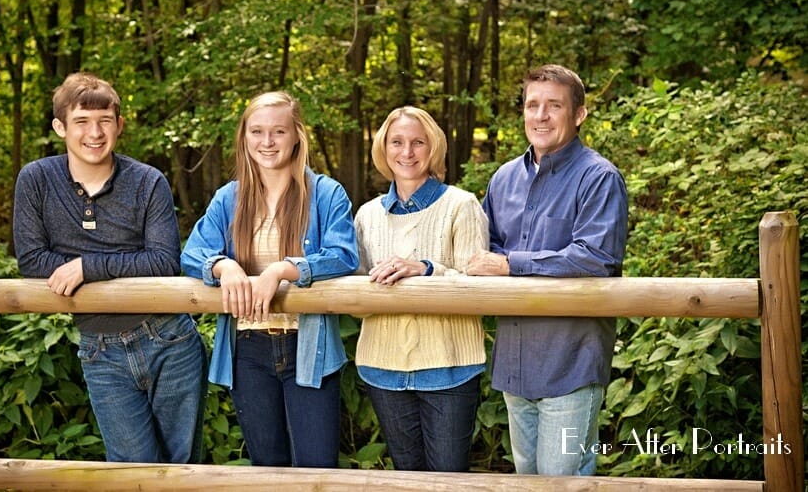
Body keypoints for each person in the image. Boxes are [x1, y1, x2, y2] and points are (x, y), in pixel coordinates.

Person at [12, 72, 208, 464]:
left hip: (169, 338)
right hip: (100, 350)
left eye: (105, 121)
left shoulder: (148, 181)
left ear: (119, 125)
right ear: (59, 127)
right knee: (129, 469)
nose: (94, 133)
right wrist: (114, 265)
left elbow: (163, 261)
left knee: (183, 465)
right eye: (82, 122)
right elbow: (32, 260)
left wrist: (87, 267)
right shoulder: (36, 180)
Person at [180, 91, 358, 468]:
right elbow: (191, 253)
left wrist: (281, 269)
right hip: (247, 350)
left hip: (308, 348)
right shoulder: (230, 198)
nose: (267, 142)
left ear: (297, 136)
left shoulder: (326, 193)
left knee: (316, 470)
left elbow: (343, 255)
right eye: (257, 131)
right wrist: (224, 267)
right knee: (267, 468)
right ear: (244, 136)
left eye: (278, 132)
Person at [466, 64, 628, 476]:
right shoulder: (504, 179)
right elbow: (484, 251)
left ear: (579, 114)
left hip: (570, 361)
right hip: (515, 363)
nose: (540, 115)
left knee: (563, 481)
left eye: (554, 105)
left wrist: (510, 264)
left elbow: (594, 257)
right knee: (526, 479)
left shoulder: (599, 177)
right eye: (532, 105)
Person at [354, 106, 489, 472]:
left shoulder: (461, 205)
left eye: (418, 142)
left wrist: (427, 269)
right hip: (382, 365)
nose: (407, 152)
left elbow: (478, 287)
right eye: (397, 142)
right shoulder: (366, 215)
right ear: (384, 149)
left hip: (449, 365)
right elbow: (355, 300)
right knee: (406, 477)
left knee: (448, 478)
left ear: (434, 149)